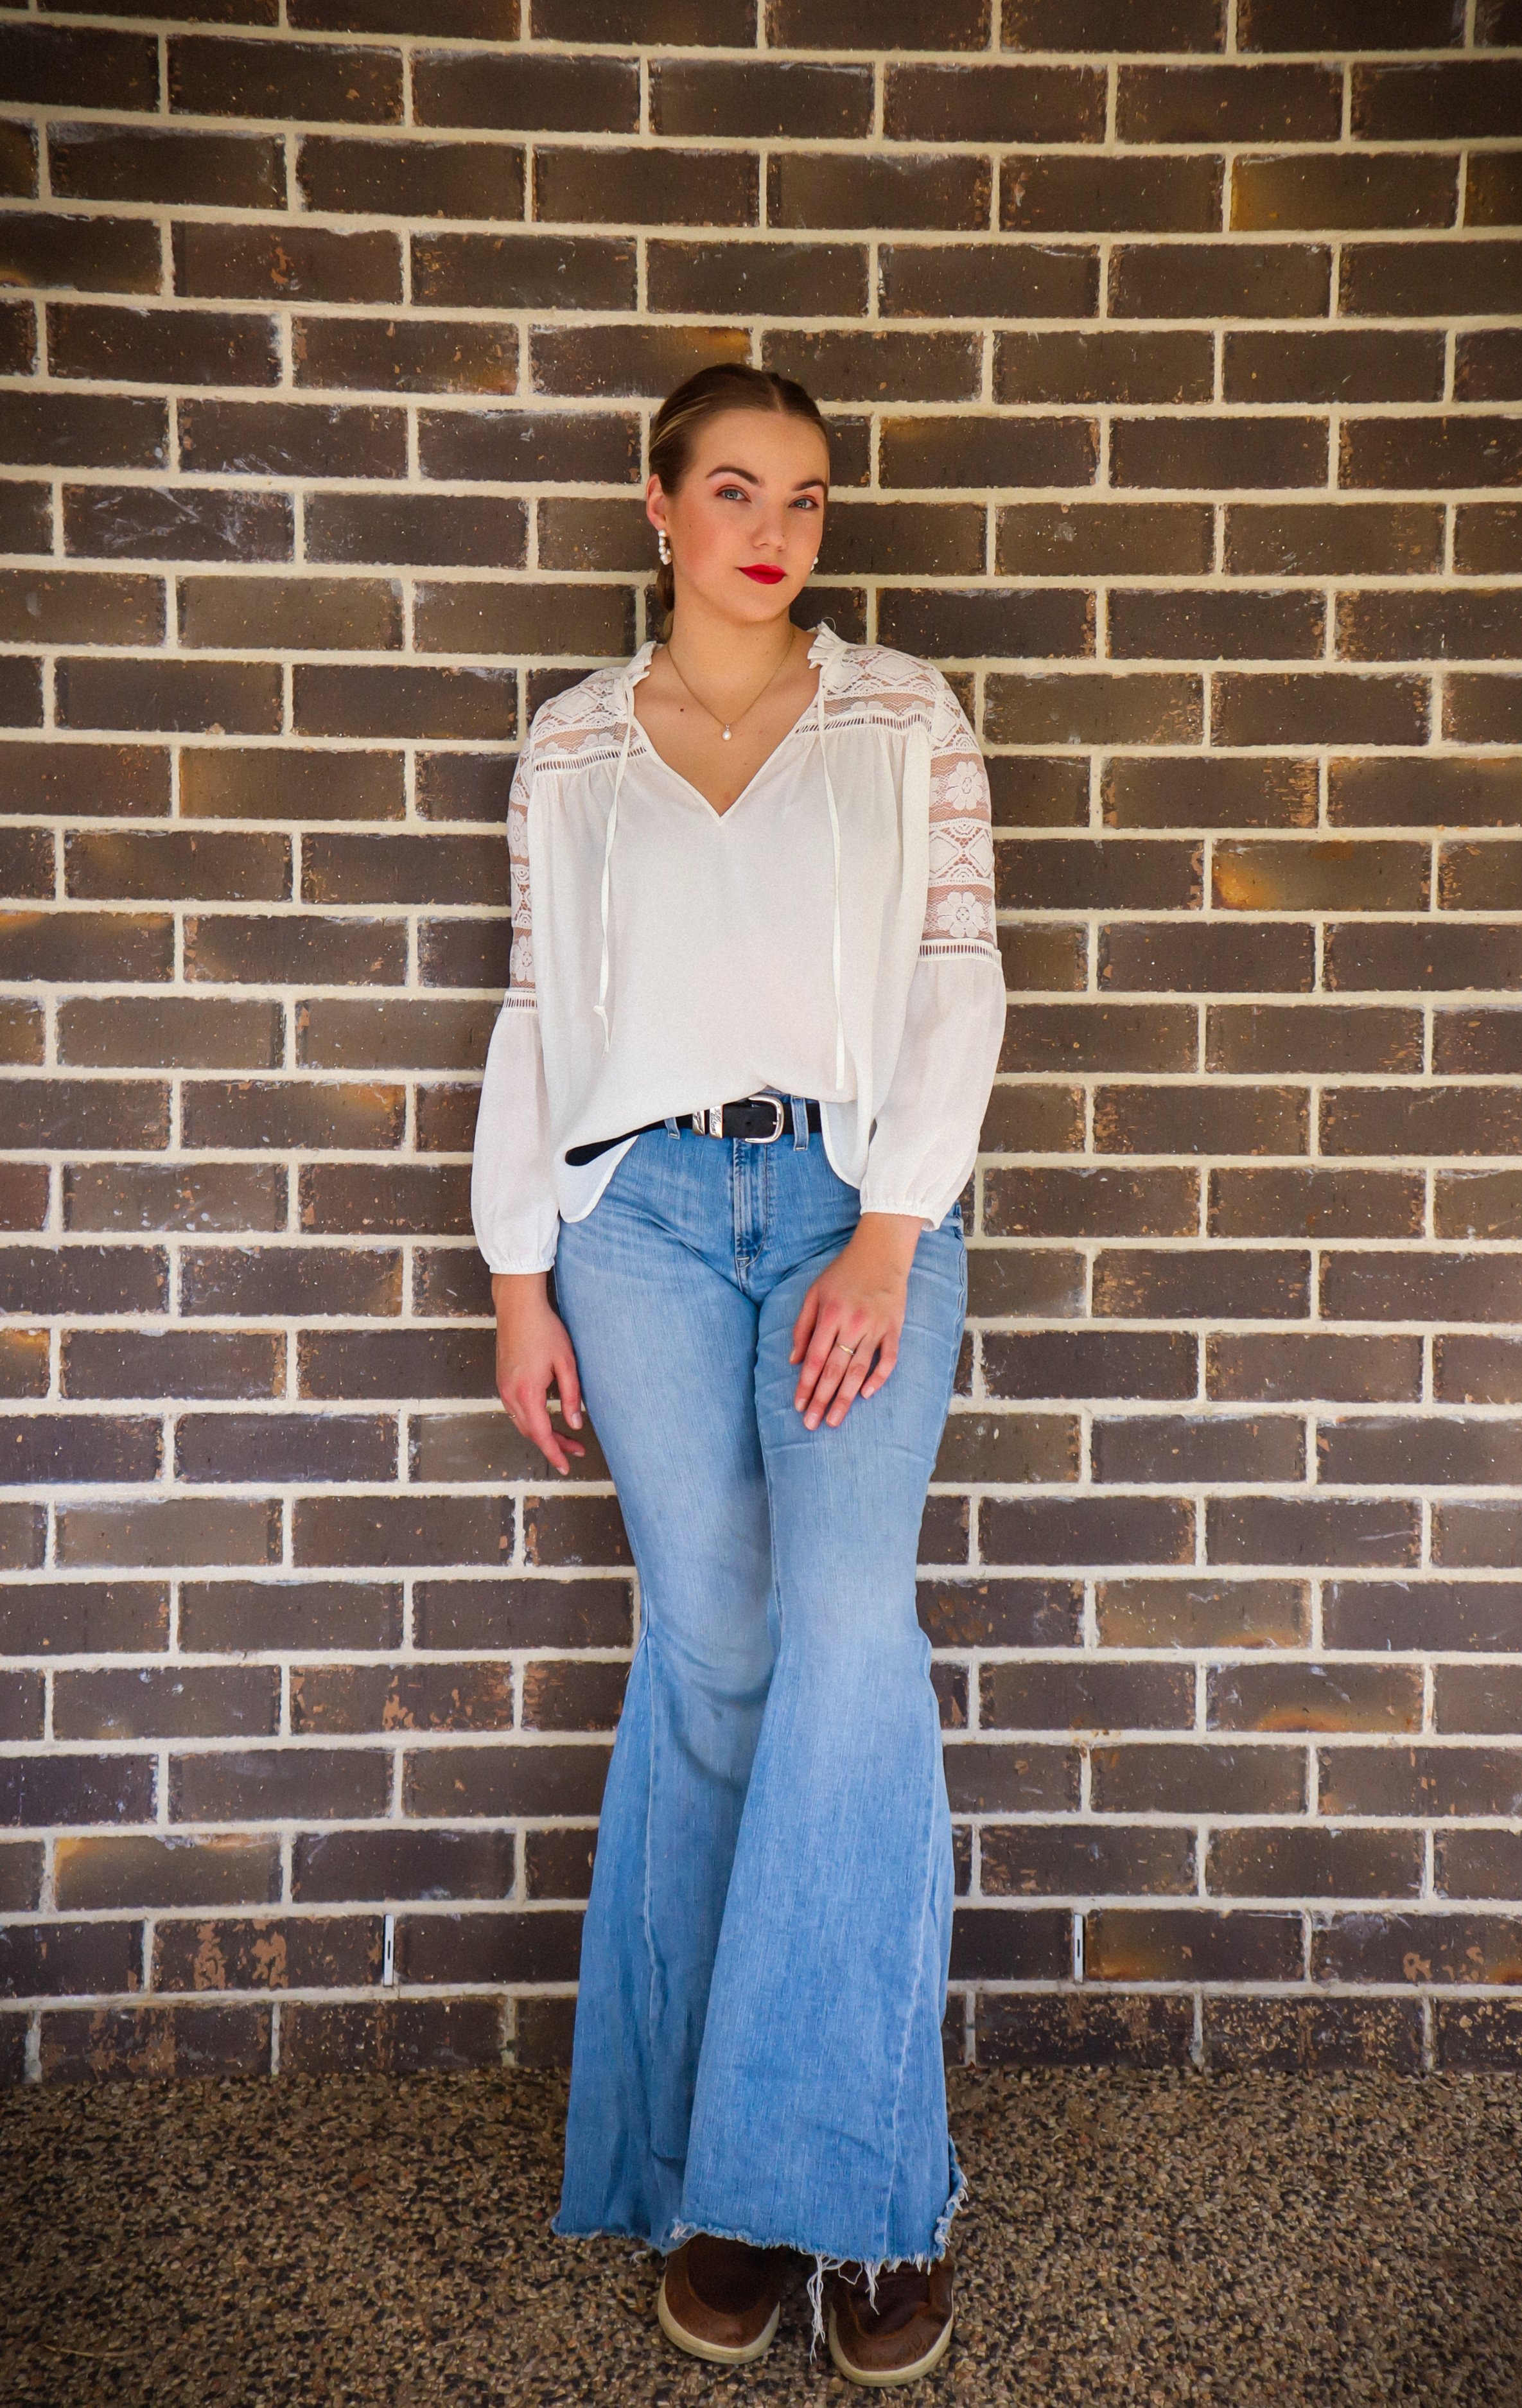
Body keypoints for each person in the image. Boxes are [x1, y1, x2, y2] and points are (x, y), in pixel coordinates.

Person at [471, 362, 1006, 2387]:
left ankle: (864, 2193)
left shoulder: (901, 720)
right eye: (731, 486)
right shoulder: (574, 750)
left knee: (850, 1644)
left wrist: (887, 1231)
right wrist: (522, 1275)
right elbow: (543, 1014)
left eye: (803, 492)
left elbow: (960, 976)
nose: (771, 526)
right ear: (657, 509)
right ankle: (714, 2178)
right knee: (709, 1654)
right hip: (641, 1229)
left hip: (859, 1201)